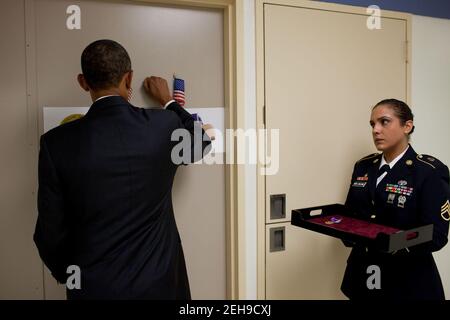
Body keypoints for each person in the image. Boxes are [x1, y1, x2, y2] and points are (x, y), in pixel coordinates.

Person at [33, 39, 211, 299]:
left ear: (83, 82)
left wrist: (69, 275)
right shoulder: (163, 125)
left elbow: (49, 233)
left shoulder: (56, 143)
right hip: (160, 283)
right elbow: (201, 142)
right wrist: (170, 103)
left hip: (93, 287)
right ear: (129, 79)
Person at [341, 98, 450, 300]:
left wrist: (394, 244)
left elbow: (437, 235)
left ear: (407, 126)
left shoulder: (428, 172)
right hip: (363, 273)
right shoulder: (363, 166)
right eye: (372, 124)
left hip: (407, 280)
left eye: (384, 122)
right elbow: (351, 215)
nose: (376, 130)